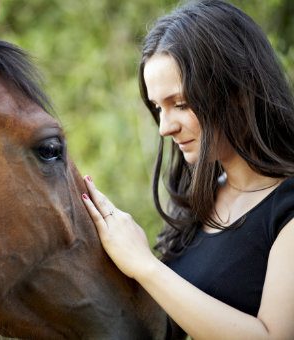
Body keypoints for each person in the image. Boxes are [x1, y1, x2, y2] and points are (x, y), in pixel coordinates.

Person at [81, 0, 294, 338]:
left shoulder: (287, 210)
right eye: (157, 107)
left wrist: (145, 266)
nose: (165, 127)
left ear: (238, 91)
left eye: (180, 104)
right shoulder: (201, 196)